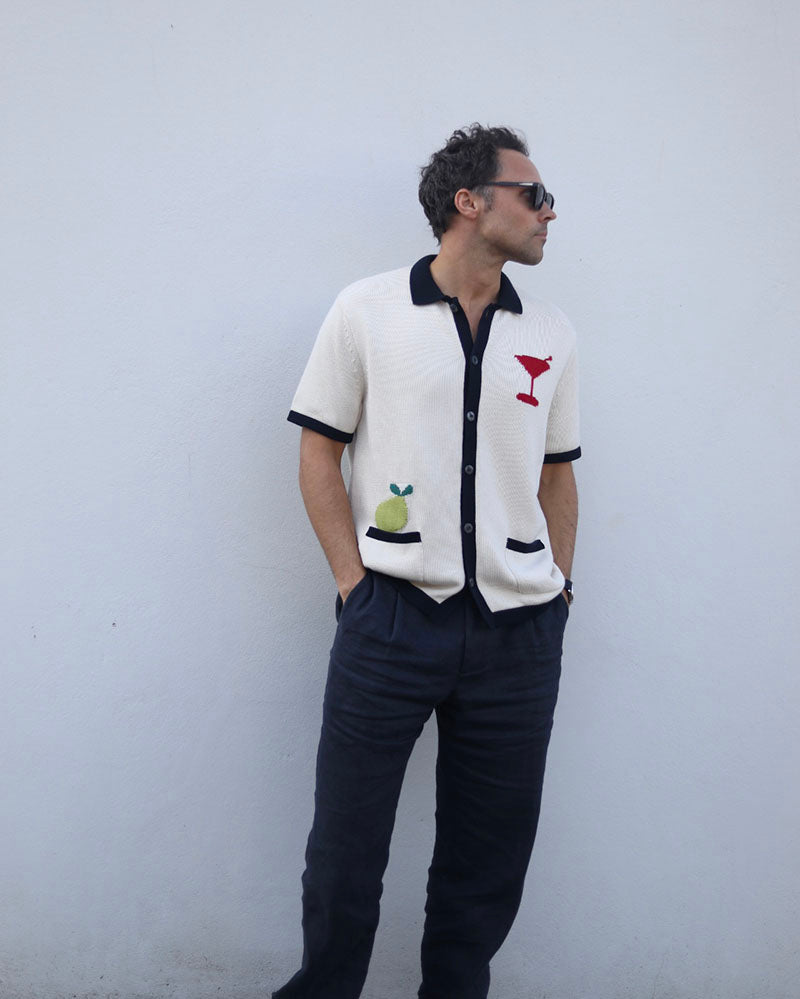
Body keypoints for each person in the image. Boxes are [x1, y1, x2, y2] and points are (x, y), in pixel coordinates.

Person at [274, 123, 580, 999]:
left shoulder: (551, 330)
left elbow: (558, 474)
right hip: (391, 621)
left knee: (488, 861)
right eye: (534, 194)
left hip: (520, 633)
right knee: (345, 849)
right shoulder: (367, 310)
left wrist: (560, 590)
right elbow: (318, 450)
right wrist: (353, 583)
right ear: (468, 201)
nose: (550, 211)